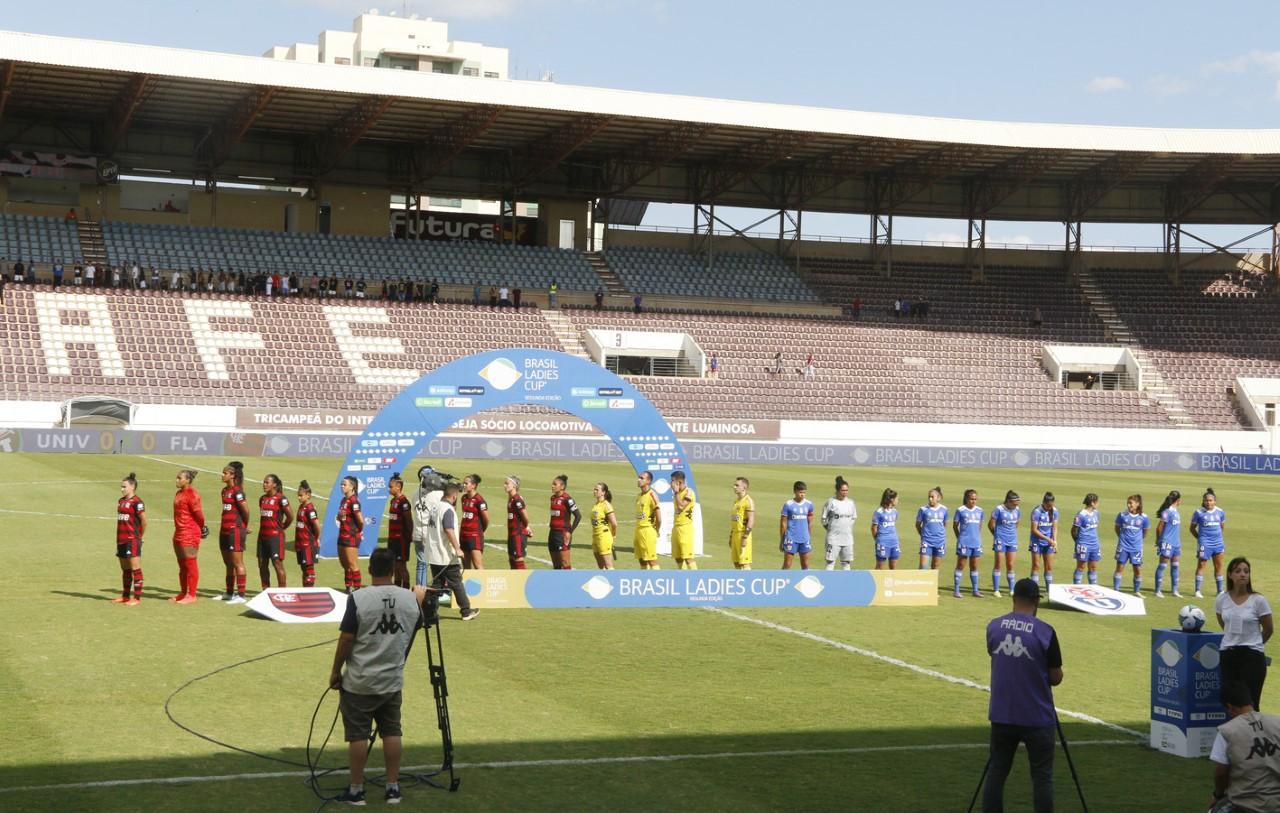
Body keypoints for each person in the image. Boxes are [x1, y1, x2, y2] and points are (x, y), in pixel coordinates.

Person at [328, 547, 429, 806]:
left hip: (360, 681)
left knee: (358, 736)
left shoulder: (359, 598)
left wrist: (335, 671)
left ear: (370, 569)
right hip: (392, 679)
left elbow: (347, 638)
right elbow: (419, 625)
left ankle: (356, 790)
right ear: (395, 569)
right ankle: (393, 788)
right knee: (392, 731)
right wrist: (419, 600)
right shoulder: (409, 599)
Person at [983, 578, 1064, 813]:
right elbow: (1056, 677)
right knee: (1041, 777)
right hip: (1036, 716)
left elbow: (996, 656)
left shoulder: (994, 626)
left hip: (1001, 713)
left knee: (996, 772)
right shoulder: (1046, 632)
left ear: (1013, 598)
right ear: (1036, 601)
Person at [1208, 680, 1280, 812]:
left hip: (1244, 804)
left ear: (1229, 707)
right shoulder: (1277, 723)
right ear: (1251, 702)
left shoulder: (1227, 731)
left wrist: (1217, 795)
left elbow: (1221, 773)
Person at [1216, 558, 1274, 711]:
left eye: (1246, 571)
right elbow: (1223, 624)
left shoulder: (1258, 600)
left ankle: (1253, 734)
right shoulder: (1222, 599)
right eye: (1238, 571)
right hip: (1228, 653)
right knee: (1231, 701)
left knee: (1250, 701)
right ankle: (1235, 734)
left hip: (1251, 655)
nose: (1243, 575)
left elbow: (1268, 629)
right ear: (1230, 575)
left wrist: (1254, 643)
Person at [424, 482, 478, 621]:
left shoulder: (435, 507)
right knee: (456, 582)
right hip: (445, 554)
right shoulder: (447, 509)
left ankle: (429, 613)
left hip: (434, 553)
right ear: (454, 496)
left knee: (437, 585)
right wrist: (458, 548)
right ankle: (466, 611)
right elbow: (449, 529)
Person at [216, 461, 250, 603]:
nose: (222, 475)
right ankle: (229, 593)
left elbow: (246, 511)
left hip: (235, 530)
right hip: (224, 529)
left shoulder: (238, 491)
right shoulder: (224, 491)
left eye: (225, 473)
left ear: (232, 475)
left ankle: (241, 595)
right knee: (228, 563)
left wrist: (244, 526)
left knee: (238, 563)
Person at [170, 469, 206, 604]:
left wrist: (202, 527)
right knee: (182, 565)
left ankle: (192, 595)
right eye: (177, 477)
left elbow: (199, 515)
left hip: (190, 533)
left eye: (180, 478)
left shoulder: (192, 494)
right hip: (178, 532)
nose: (177, 480)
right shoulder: (179, 493)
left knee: (190, 563)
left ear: (188, 480)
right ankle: (183, 592)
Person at [112, 472, 147, 605]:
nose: (122, 489)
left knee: (135, 569)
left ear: (132, 487)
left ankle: (136, 598)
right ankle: (125, 596)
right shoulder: (121, 501)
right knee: (125, 569)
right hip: (120, 539)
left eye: (124, 486)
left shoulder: (137, 502)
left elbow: (144, 521)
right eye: (121, 487)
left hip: (132, 540)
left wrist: (139, 536)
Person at [257, 474, 292, 590]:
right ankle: (265, 591)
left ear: (274, 485)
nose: (264, 485)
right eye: (264, 482)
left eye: (267, 482)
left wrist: (281, 528)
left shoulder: (281, 499)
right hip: (262, 537)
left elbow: (290, 516)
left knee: (277, 564)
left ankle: (282, 591)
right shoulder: (262, 499)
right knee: (262, 565)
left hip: (275, 538)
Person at [1194, 488, 1228, 598]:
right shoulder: (1199, 513)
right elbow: (1192, 528)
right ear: (1203, 501)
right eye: (1206, 500)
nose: (1208, 502)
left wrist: (1216, 537)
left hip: (1218, 543)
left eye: (1210, 500)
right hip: (1204, 543)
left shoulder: (1220, 512)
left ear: (1215, 501)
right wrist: (1200, 539)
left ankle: (1220, 591)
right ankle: (1198, 590)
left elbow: (1221, 527)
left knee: (1218, 566)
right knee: (1201, 565)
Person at [1113, 493, 1149, 596]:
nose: (1128, 505)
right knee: (1119, 567)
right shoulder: (1122, 515)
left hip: (1136, 547)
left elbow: (1145, 531)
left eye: (1131, 503)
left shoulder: (1143, 517)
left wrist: (1138, 540)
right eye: (1128, 503)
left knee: (1137, 569)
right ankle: (1116, 590)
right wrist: (1122, 538)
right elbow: (1117, 528)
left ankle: (1136, 591)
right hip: (1123, 546)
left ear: (1137, 504)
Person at [989, 490, 1022, 597]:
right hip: (1000, 540)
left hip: (1012, 540)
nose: (1016, 506)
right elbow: (990, 524)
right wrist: (997, 535)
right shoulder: (998, 510)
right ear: (1008, 501)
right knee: (998, 564)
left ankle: (1012, 590)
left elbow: (1017, 524)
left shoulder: (1017, 510)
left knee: (1011, 564)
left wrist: (1011, 534)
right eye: (1014, 504)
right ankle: (996, 590)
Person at [953, 488, 984, 598]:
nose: (973, 501)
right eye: (971, 499)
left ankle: (975, 590)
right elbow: (955, 525)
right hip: (964, 542)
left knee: (974, 566)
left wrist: (976, 536)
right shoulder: (960, 510)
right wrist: (960, 537)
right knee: (961, 565)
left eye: (975, 499)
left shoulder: (980, 511)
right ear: (966, 499)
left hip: (976, 542)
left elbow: (980, 525)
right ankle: (956, 590)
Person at [821, 475, 856, 571]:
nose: (845, 493)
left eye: (846, 490)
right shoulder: (831, 502)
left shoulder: (851, 503)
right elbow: (823, 519)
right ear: (837, 490)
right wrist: (831, 529)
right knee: (830, 562)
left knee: (846, 563)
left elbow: (853, 518)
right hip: (833, 539)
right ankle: (828, 583)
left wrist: (847, 528)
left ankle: (847, 584)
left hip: (847, 538)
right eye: (843, 490)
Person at [336, 476, 365, 592]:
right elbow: (340, 517)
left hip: (351, 536)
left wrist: (356, 532)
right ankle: (348, 588)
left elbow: (361, 521)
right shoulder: (343, 500)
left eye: (345, 485)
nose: (342, 487)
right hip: (342, 535)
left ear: (352, 487)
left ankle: (357, 589)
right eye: (341, 485)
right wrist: (339, 516)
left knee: (352, 564)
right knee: (345, 564)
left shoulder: (354, 501)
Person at [778, 481, 814, 570]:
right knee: (787, 564)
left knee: (805, 565)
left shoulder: (809, 504)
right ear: (795, 492)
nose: (803, 495)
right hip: (791, 538)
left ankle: (805, 583)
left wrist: (808, 536)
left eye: (804, 492)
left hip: (804, 538)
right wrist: (782, 540)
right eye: (800, 492)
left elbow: (810, 521)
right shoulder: (788, 505)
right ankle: (782, 581)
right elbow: (783, 523)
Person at [386, 473, 413, 589]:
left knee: (401, 566)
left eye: (391, 487)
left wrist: (409, 536)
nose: (389, 489)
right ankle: (397, 589)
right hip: (392, 538)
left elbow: (409, 521)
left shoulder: (404, 502)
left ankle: (406, 590)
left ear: (398, 487)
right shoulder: (393, 501)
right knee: (394, 566)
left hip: (401, 539)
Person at [548, 474, 581, 570]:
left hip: (562, 534)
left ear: (562, 486)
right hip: (552, 533)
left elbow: (578, 516)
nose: (552, 486)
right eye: (552, 484)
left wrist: (569, 532)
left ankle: (569, 584)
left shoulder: (567, 499)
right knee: (556, 565)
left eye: (555, 484)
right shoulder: (553, 498)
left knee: (565, 563)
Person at [1154, 490, 1183, 598]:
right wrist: (1159, 541)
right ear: (1179, 500)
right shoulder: (1167, 511)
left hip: (1176, 543)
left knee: (1175, 566)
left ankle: (1175, 590)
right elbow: (1159, 527)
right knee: (1162, 566)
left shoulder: (1176, 511)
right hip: (1167, 542)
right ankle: (1157, 591)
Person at [1028, 493, 1059, 590]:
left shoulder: (1054, 511)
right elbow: (1034, 530)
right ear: (1044, 503)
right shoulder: (1036, 512)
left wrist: (1055, 541)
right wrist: (1048, 539)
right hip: (1037, 541)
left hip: (1049, 543)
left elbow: (1054, 527)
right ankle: (1033, 589)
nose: (1050, 507)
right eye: (1049, 505)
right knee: (1036, 565)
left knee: (1049, 566)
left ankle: (1049, 590)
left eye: (1052, 505)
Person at [458, 474, 488, 571]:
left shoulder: (479, 500)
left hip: (474, 536)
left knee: (477, 565)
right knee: (466, 567)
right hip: (463, 535)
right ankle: (467, 586)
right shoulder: (464, 498)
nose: (464, 485)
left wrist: (480, 530)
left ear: (473, 485)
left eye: (466, 483)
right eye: (464, 483)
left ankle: (483, 585)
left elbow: (486, 519)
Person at [294, 480, 321, 588]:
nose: (299, 498)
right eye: (298, 495)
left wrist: (316, 538)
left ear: (308, 495)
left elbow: (317, 526)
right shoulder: (301, 507)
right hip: (300, 543)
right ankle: (305, 590)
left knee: (309, 569)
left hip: (307, 544)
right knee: (304, 569)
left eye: (301, 496)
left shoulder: (310, 509)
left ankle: (309, 591)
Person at [1071, 493, 1102, 586]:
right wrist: (1079, 542)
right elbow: (1074, 531)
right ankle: (1077, 588)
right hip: (1084, 544)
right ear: (1092, 503)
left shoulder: (1096, 513)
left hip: (1095, 544)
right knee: (1081, 567)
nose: (1098, 504)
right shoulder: (1081, 515)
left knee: (1093, 567)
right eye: (1097, 502)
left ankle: (1093, 588)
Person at [916, 485, 948, 571]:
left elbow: (945, 524)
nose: (930, 499)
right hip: (927, 541)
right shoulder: (923, 510)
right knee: (923, 566)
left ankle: (933, 584)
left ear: (938, 498)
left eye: (932, 497)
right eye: (929, 497)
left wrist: (941, 535)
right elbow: (918, 524)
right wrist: (923, 535)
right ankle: (921, 583)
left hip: (939, 542)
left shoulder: (944, 509)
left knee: (935, 566)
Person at [634, 471, 661, 570]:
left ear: (649, 481)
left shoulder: (652, 495)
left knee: (652, 560)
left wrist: (656, 529)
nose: (638, 480)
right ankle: (644, 579)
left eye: (641, 478)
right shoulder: (639, 496)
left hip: (647, 530)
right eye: (638, 477)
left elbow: (659, 517)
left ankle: (657, 581)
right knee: (642, 559)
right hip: (638, 530)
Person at [671, 470, 698, 570]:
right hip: (676, 527)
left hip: (685, 528)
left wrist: (676, 492)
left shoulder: (689, 492)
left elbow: (681, 506)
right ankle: (684, 577)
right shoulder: (677, 493)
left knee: (688, 557)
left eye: (673, 481)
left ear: (679, 482)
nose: (671, 483)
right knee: (678, 557)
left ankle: (695, 579)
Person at [504, 475, 531, 570]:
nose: (504, 485)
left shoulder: (517, 500)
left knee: (518, 560)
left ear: (514, 486)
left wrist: (526, 527)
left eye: (507, 483)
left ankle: (524, 582)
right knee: (512, 559)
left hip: (518, 534)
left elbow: (525, 516)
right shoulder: (511, 499)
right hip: (512, 534)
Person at [729, 477, 755, 570]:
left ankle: (748, 582)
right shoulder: (736, 501)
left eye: (737, 485)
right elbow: (735, 520)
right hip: (735, 534)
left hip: (743, 534)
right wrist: (731, 536)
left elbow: (751, 520)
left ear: (744, 487)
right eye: (734, 485)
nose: (734, 487)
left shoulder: (748, 501)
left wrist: (745, 537)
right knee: (736, 563)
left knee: (744, 563)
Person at [590, 482, 618, 569]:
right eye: (594, 489)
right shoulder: (596, 505)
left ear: (603, 492)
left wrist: (613, 535)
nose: (594, 491)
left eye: (597, 490)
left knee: (608, 566)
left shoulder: (606, 505)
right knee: (601, 566)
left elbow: (614, 523)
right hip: (595, 536)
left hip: (604, 536)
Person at [872, 488, 901, 570]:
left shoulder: (895, 512)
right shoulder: (879, 512)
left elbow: (892, 525)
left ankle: (891, 582)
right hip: (883, 543)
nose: (898, 500)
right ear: (891, 499)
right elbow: (873, 528)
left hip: (894, 542)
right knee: (879, 567)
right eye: (897, 498)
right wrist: (879, 540)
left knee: (893, 568)